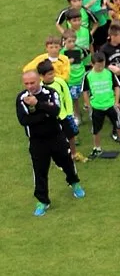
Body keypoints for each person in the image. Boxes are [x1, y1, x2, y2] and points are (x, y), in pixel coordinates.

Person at [17, 69, 83, 215]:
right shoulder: (21, 98)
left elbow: (56, 111)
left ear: (39, 80)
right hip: (36, 141)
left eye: (32, 82)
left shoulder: (50, 92)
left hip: (56, 136)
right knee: (39, 170)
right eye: (26, 83)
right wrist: (44, 115)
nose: (29, 86)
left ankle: (74, 183)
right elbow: (24, 120)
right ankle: (42, 201)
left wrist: (38, 104)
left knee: (66, 162)